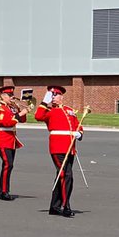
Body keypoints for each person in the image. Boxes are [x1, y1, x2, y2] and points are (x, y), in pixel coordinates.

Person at [35, 84, 82, 217]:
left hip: (70, 147)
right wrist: (44, 101)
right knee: (66, 175)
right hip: (57, 148)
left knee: (62, 176)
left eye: (56, 95)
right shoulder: (48, 111)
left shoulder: (69, 110)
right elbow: (38, 116)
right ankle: (65, 206)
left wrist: (79, 133)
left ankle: (55, 207)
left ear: (61, 96)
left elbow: (78, 124)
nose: (54, 97)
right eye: (52, 95)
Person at [0, 85, 26, 200]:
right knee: (8, 164)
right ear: (3, 96)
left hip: (11, 140)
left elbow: (23, 120)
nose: (12, 97)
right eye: (9, 95)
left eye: (12, 95)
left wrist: (22, 110)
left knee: (8, 166)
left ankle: (3, 190)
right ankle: (4, 191)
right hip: (3, 139)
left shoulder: (11, 107)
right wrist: (19, 114)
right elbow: (6, 123)